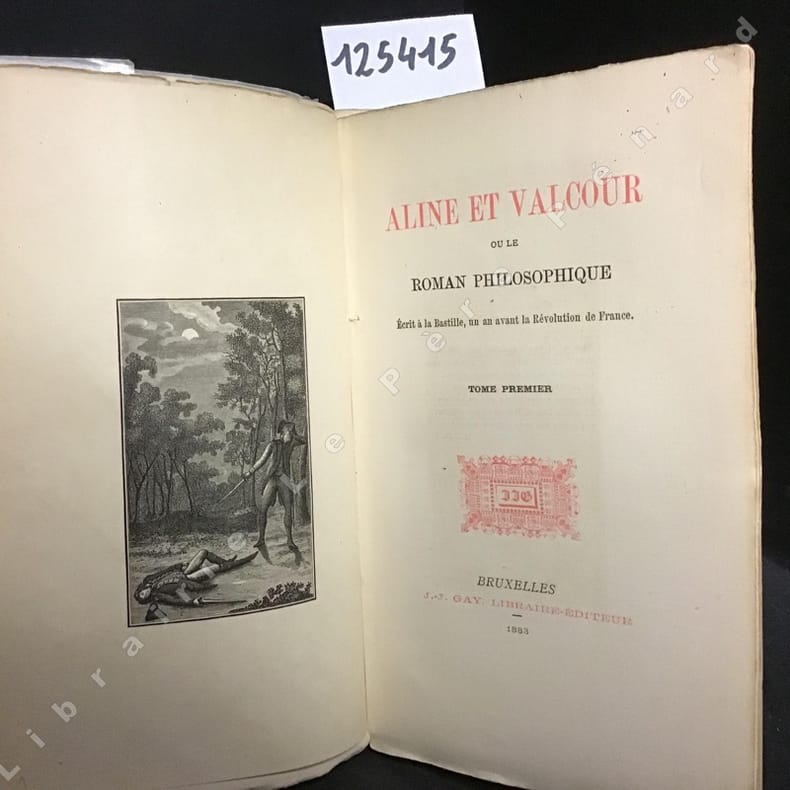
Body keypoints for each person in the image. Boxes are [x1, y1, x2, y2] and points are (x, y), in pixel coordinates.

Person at [246, 420, 307, 564]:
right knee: (263, 509)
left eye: (292, 430)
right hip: (272, 479)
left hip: (284, 480)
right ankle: (261, 539)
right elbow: (262, 460)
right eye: (288, 430)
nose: (290, 432)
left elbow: (305, 440)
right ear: (282, 431)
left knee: (288, 509)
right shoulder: (272, 444)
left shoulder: (292, 443)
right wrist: (250, 472)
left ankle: (290, 540)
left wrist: (294, 434)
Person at [134, 549, 256, 620]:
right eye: (144, 596)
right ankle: (238, 562)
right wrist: (192, 602)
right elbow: (175, 600)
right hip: (188, 579)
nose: (145, 593)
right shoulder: (158, 595)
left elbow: (164, 572)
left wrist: (178, 566)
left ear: (142, 589)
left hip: (183, 571)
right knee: (214, 568)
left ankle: (227, 562)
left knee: (203, 552)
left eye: (142, 593)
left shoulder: (149, 580)